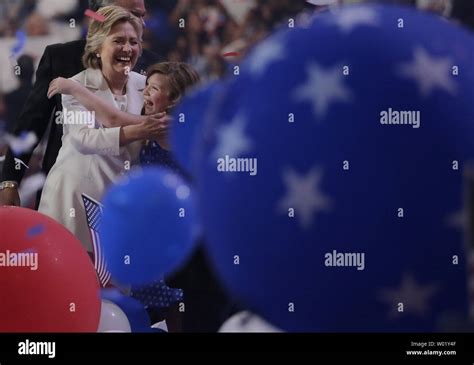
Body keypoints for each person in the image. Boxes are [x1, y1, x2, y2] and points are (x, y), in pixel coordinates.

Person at [48, 61, 200, 331]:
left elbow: (113, 120)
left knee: (169, 293)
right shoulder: (162, 121)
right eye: (147, 87)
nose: (145, 94)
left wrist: (71, 87)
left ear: (174, 98)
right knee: (153, 292)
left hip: (171, 225)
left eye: (154, 89)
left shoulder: (169, 124)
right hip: (154, 223)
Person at [0, 0, 159, 207]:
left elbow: (162, 133)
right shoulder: (60, 57)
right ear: (101, 15)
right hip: (65, 193)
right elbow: (31, 122)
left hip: (128, 197)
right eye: (131, 14)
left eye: (141, 16)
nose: (140, 23)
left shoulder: (155, 67)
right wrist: (10, 181)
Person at [38, 5, 164, 255]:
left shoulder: (146, 85)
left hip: (121, 200)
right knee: (70, 280)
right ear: (97, 45)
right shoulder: (76, 84)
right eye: (118, 41)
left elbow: (160, 126)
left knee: (117, 285)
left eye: (134, 42)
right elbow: (85, 139)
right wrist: (144, 129)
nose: (128, 49)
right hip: (74, 198)